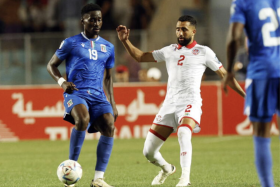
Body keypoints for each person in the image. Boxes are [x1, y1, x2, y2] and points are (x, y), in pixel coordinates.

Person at [116, 15, 245, 186]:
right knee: (148, 152)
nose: (180, 32)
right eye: (178, 29)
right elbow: (140, 57)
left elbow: (225, 76)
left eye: (184, 29)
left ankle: (185, 179)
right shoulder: (169, 50)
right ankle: (166, 168)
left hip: (190, 102)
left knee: (184, 132)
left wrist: (246, 96)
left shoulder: (204, 52)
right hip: (169, 104)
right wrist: (125, 41)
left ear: (194, 31)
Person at [47, 3, 118, 187]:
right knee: (82, 119)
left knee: (109, 125)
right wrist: (63, 83)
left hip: (98, 94)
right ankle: (69, 170)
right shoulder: (70, 42)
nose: (96, 22)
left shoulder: (108, 47)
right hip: (76, 92)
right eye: (92, 19)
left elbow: (108, 78)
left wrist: (112, 102)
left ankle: (98, 179)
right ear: (82, 21)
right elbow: (51, 65)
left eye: (99, 19)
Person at [224, 0, 280, 186]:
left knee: (262, 132)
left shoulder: (243, 3)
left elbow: (234, 37)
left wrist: (230, 71)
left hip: (262, 71)